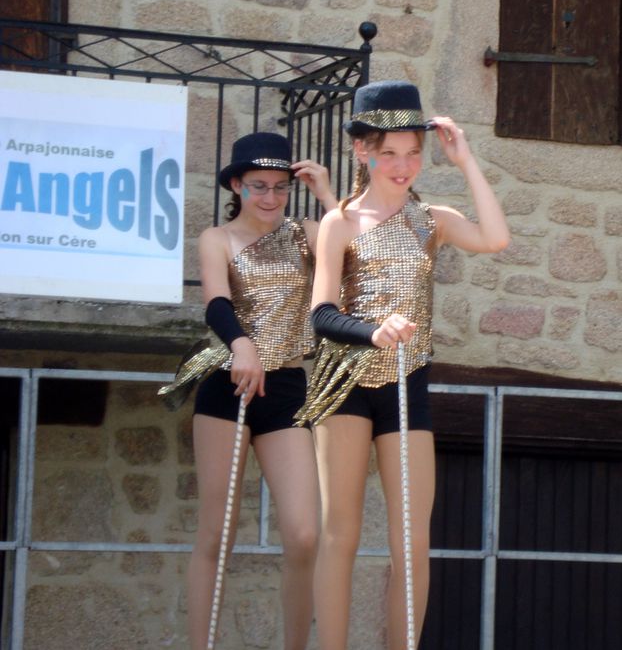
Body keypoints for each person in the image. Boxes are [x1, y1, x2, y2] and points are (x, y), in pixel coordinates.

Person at [293, 80, 510, 649]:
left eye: (413, 151)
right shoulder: (340, 221)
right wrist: (372, 330)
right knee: (339, 532)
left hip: (409, 383)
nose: (403, 164)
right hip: (343, 382)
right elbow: (320, 314)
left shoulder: (432, 218)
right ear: (363, 151)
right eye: (389, 152)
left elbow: (495, 236)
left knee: (412, 539)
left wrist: (465, 163)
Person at [160, 131, 338, 650]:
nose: (269, 197)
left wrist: (327, 196)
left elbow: (357, 254)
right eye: (258, 185)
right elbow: (216, 303)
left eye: (280, 187)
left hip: (286, 385)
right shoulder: (217, 238)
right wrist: (242, 345)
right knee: (218, 532)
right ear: (236, 184)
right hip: (228, 383)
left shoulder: (307, 232)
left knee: (305, 534)